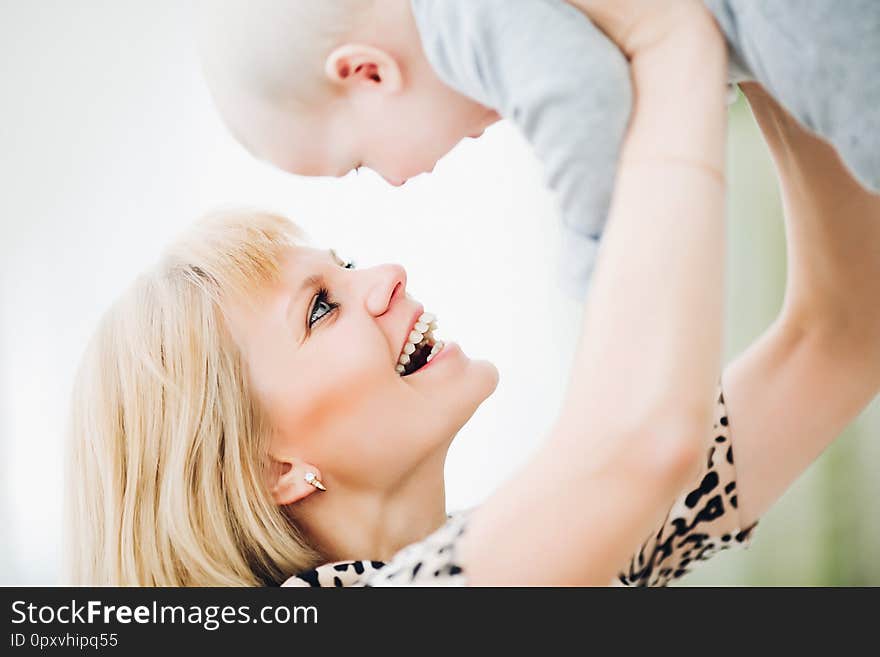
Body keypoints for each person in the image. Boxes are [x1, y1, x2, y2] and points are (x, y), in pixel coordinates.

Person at [66, 8, 879, 587]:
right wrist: (670, 40)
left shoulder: (571, 536)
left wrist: (745, 29)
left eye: (342, 265)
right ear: (273, 468)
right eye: (320, 307)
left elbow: (845, 333)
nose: (386, 276)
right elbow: (645, 440)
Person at [194, 0, 879, 299]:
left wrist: (594, 257)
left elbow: (580, 95)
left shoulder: (455, 15)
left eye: (363, 164)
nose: (399, 182)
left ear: (368, 71)